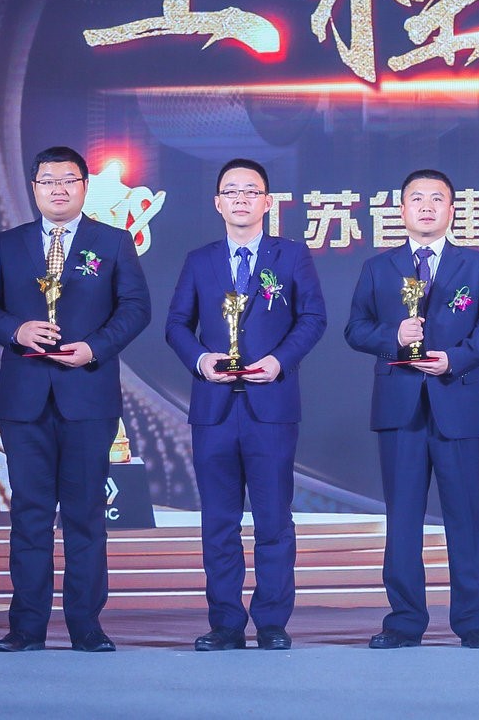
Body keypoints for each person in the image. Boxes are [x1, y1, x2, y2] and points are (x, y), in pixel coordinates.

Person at [0, 146, 151, 653]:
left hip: (87, 395)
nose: (59, 189)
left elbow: (136, 308)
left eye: (68, 180)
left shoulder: (112, 242)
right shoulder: (9, 244)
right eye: (48, 181)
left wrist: (95, 348)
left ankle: (86, 626)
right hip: (24, 399)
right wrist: (16, 330)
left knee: (85, 514)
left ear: (84, 186)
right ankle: (26, 626)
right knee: (29, 513)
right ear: (34, 189)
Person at [165, 158, 327, 652]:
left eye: (251, 191)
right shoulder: (200, 260)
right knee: (219, 522)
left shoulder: (291, 255)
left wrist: (280, 361)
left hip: (271, 406)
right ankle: (225, 624)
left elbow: (313, 318)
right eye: (231, 191)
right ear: (217, 203)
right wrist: (201, 360)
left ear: (267, 202)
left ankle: (272, 622)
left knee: (273, 519)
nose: (241, 198)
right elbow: (176, 325)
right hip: (213, 408)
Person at [344, 169, 479, 649]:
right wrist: (393, 335)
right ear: (402, 210)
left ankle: (475, 622)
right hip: (400, 406)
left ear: (453, 209)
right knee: (403, 518)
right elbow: (355, 329)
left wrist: (455, 359)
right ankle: (404, 621)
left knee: (467, 517)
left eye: (437, 199)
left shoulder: (478, 266)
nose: (427, 206)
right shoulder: (379, 267)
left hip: (457, 399)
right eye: (417, 199)